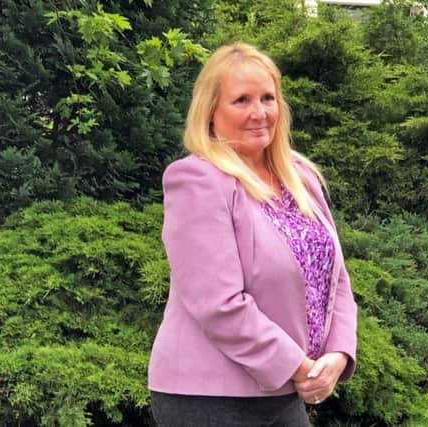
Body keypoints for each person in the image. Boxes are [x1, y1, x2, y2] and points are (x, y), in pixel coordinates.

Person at [147, 42, 357, 427]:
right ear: (210, 111)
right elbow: (219, 303)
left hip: (281, 392)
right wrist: (297, 365)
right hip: (209, 398)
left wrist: (339, 354)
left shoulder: (300, 176)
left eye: (267, 98)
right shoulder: (197, 179)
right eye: (241, 100)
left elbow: (336, 278)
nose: (259, 113)